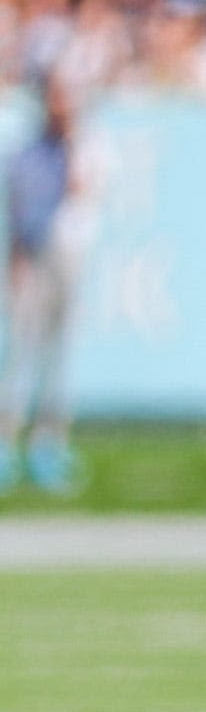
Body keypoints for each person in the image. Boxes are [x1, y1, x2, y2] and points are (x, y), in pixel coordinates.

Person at [2, 78, 91, 496]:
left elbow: (83, 191)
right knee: (23, 356)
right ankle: (7, 444)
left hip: (67, 260)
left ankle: (48, 444)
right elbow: (23, 214)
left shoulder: (82, 148)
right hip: (38, 258)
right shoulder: (29, 155)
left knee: (60, 358)